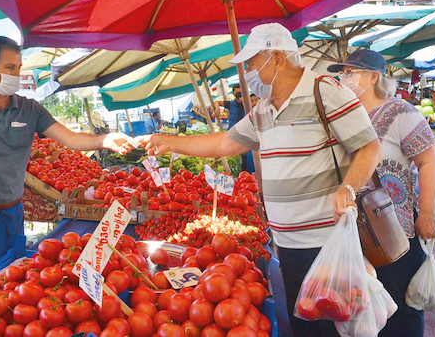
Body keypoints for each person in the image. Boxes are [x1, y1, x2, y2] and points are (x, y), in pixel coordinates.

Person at [140, 23, 382, 336]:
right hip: (288, 245)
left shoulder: (327, 91)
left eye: (253, 63)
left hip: (326, 243)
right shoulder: (263, 109)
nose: (250, 72)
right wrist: (169, 141)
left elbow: (369, 146)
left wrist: (347, 188)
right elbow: (225, 143)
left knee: (332, 328)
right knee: (304, 326)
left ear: (277, 58)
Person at [0, 36, 135, 287]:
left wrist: (105, 140)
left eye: (19, 68)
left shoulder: (29, 110)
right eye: (10, 68)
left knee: (8, 287)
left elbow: (71, 139)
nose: (16, 75)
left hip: (10, 218)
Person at [328, 49, 435, 337]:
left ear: (373, 76)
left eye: (350, 73)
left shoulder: (400, 112)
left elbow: (429, 161)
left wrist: (428, 214)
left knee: (402, 311)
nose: (344, 78)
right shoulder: (345, 117)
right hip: (355, 233)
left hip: (395, 231)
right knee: (364, 310)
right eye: (342, 73)